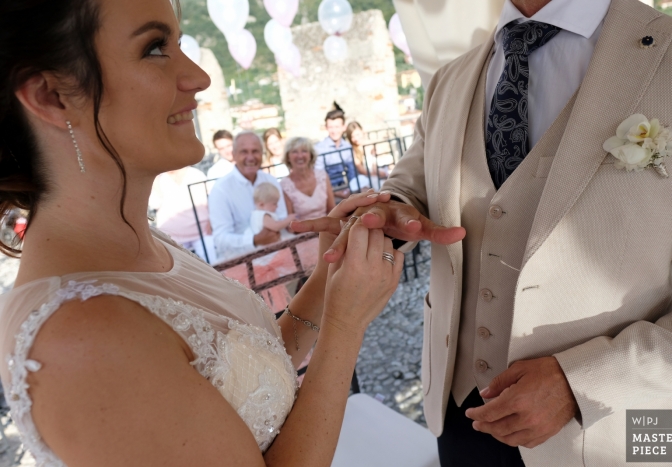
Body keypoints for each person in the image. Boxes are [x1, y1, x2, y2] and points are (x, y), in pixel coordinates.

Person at [294, 0, 672, 465]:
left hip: (616, 428)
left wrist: (581, 381)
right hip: (457, 407)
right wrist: (393, 213)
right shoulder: (451, 79)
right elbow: (411, 184)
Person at [0, 2, 404, 467]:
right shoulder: (79, 336)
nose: (198, 76)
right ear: (51, 96)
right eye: (155, 48)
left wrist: (328, 281)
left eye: (178, 44)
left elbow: (249, 379)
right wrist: (345, 327)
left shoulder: (137, 241)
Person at [208, 131, 288, 260]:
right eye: (244, 152)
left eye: (255, 151)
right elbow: (220, 239)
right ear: (234, 154)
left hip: (276, 255)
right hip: (241, 262)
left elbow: (282, 216)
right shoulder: (221, 189)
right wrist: (254, 240)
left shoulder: (271, 181)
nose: (250, 157)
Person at [149, 166, 214, 261]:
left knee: (214, 267)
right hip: (173, 237)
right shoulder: (158, 179)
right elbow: (155, 204)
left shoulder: (195, 173)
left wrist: (211, 221)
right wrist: (155, 182)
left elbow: (211, 200)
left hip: (202, 231)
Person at [314, 103, 369, 196]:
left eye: (337, 127)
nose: (334, 131)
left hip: (347, 188)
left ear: (344, 127)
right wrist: (337, 192)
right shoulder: (319, 149)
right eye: (331, 127)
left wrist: (352, 190)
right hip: (329, 192)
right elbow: (319, 179)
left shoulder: (347, 147)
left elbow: (352, 173)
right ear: (326, 128)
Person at [280, 137, 335, 221]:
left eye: (304, 151)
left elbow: (332, 209)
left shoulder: (322, 176)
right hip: (302, 231)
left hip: (326, 228)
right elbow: (290, 221)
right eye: (295, 152)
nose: (300, 156)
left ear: (311, 155)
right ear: (288, 157)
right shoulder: (284, 185)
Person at [345, 121, 388, 190]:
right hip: (369, 175)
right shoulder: (353, 150)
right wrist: (377, 173)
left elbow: (380, 158)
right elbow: (361, 170)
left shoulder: (371, 144)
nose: (356, 139)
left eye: (357, 135)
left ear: (362, 131)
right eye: (353, 136)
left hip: (379, 169)